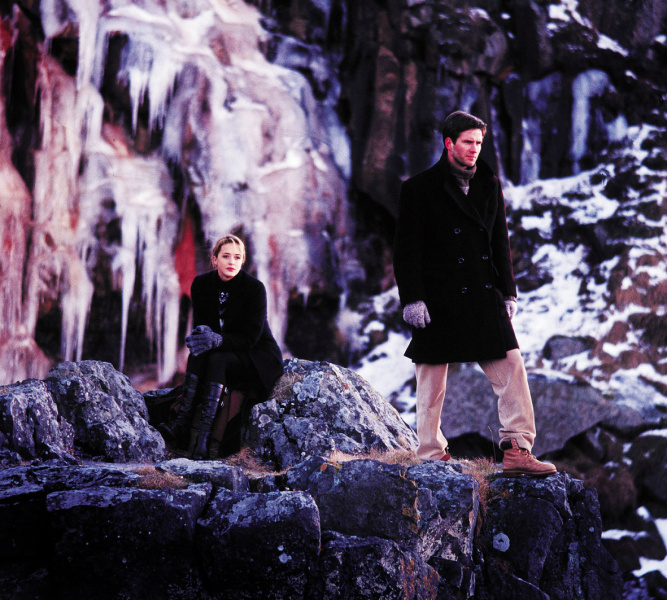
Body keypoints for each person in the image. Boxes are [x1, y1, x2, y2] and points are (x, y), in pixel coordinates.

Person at [393, 111, 556, 476]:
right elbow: (406, 250)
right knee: (430, 378)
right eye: (468, 142)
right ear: (449, 143)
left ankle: (517, 449)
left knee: (512, 368)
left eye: (479, 143)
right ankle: (430, 452)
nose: (474, 149)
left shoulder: (488, 183)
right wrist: (413, 299)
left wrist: (508, 292)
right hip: (438, 297)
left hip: (482, 294)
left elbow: (500, 241)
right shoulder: (419, 188)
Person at [159, 234, 284, 459]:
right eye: (226, 256)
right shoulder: (201, 285)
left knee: (218, 359)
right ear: (215, 259)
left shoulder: (255, 289)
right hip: (225, 352)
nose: (231, 262)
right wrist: (201, 336)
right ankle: (180, 427)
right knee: (198, 354)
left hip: (256, 356)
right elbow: (204, 326)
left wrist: (217, 340)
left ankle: (204, 439)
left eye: (237, 257)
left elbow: (250, 339)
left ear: (243, 260)